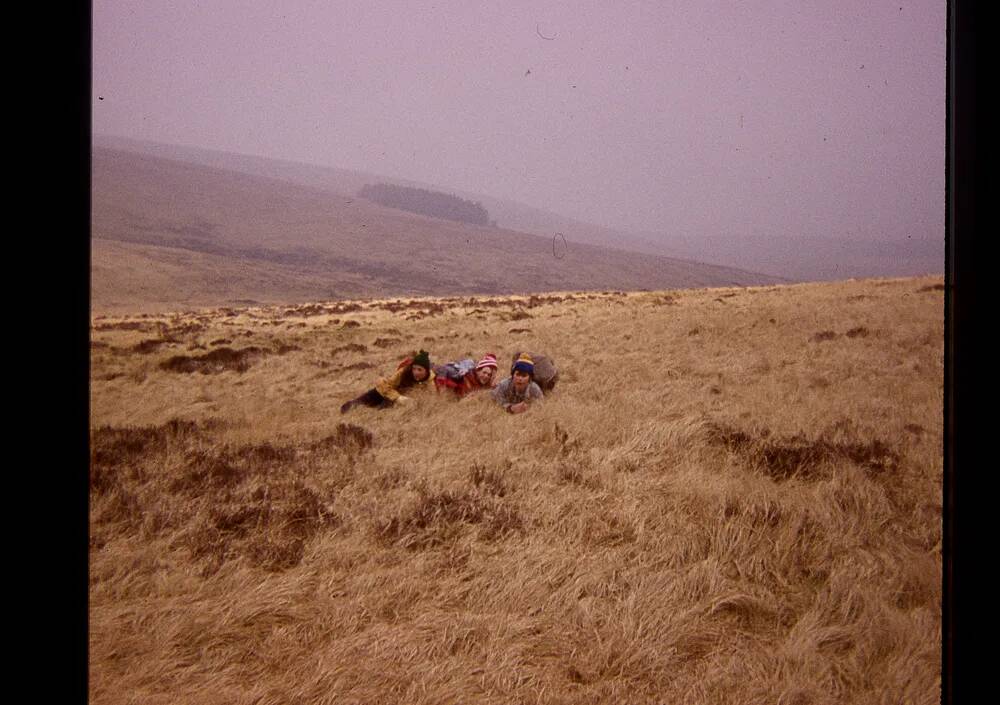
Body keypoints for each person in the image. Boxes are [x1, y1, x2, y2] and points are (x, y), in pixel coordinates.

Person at [340, 350, 434, 413]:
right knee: (351, 406)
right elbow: (385, 384)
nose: (416, 372)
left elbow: (430, 400)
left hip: (394, 402)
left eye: (419, 370)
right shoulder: (404, 372)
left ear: (426, 370)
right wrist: (398, 398)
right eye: (414, 369)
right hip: (384, 392)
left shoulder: (430, 382)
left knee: (378, 413)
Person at [434, 353, 499, 398]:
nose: (486, 376)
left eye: (489, 375)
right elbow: (442, 369)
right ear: (478, 371)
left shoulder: (486, 385)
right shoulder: (463, 375)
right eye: (484, 372)